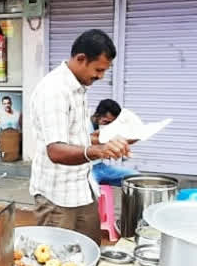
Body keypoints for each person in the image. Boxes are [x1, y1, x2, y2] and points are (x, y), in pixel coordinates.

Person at [29, 29, 131, 246]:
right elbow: (56, 150)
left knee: (88, 252)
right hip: (56, 197)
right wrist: (97, 151)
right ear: (81, 59)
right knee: (57, 262)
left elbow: (78, 137)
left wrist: (114, 140)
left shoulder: (78, 87)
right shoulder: (54, 90)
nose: (101, 76)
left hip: (82, 190)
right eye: (99, 70)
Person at [90, 99, 139, 186]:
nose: (109, 125)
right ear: (97, 115)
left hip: (101, 167)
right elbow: (91, 140)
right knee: (91, 187)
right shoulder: (84, 125)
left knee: (135, 177)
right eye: (106, 122)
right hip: (86, 170)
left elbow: (131, 137)